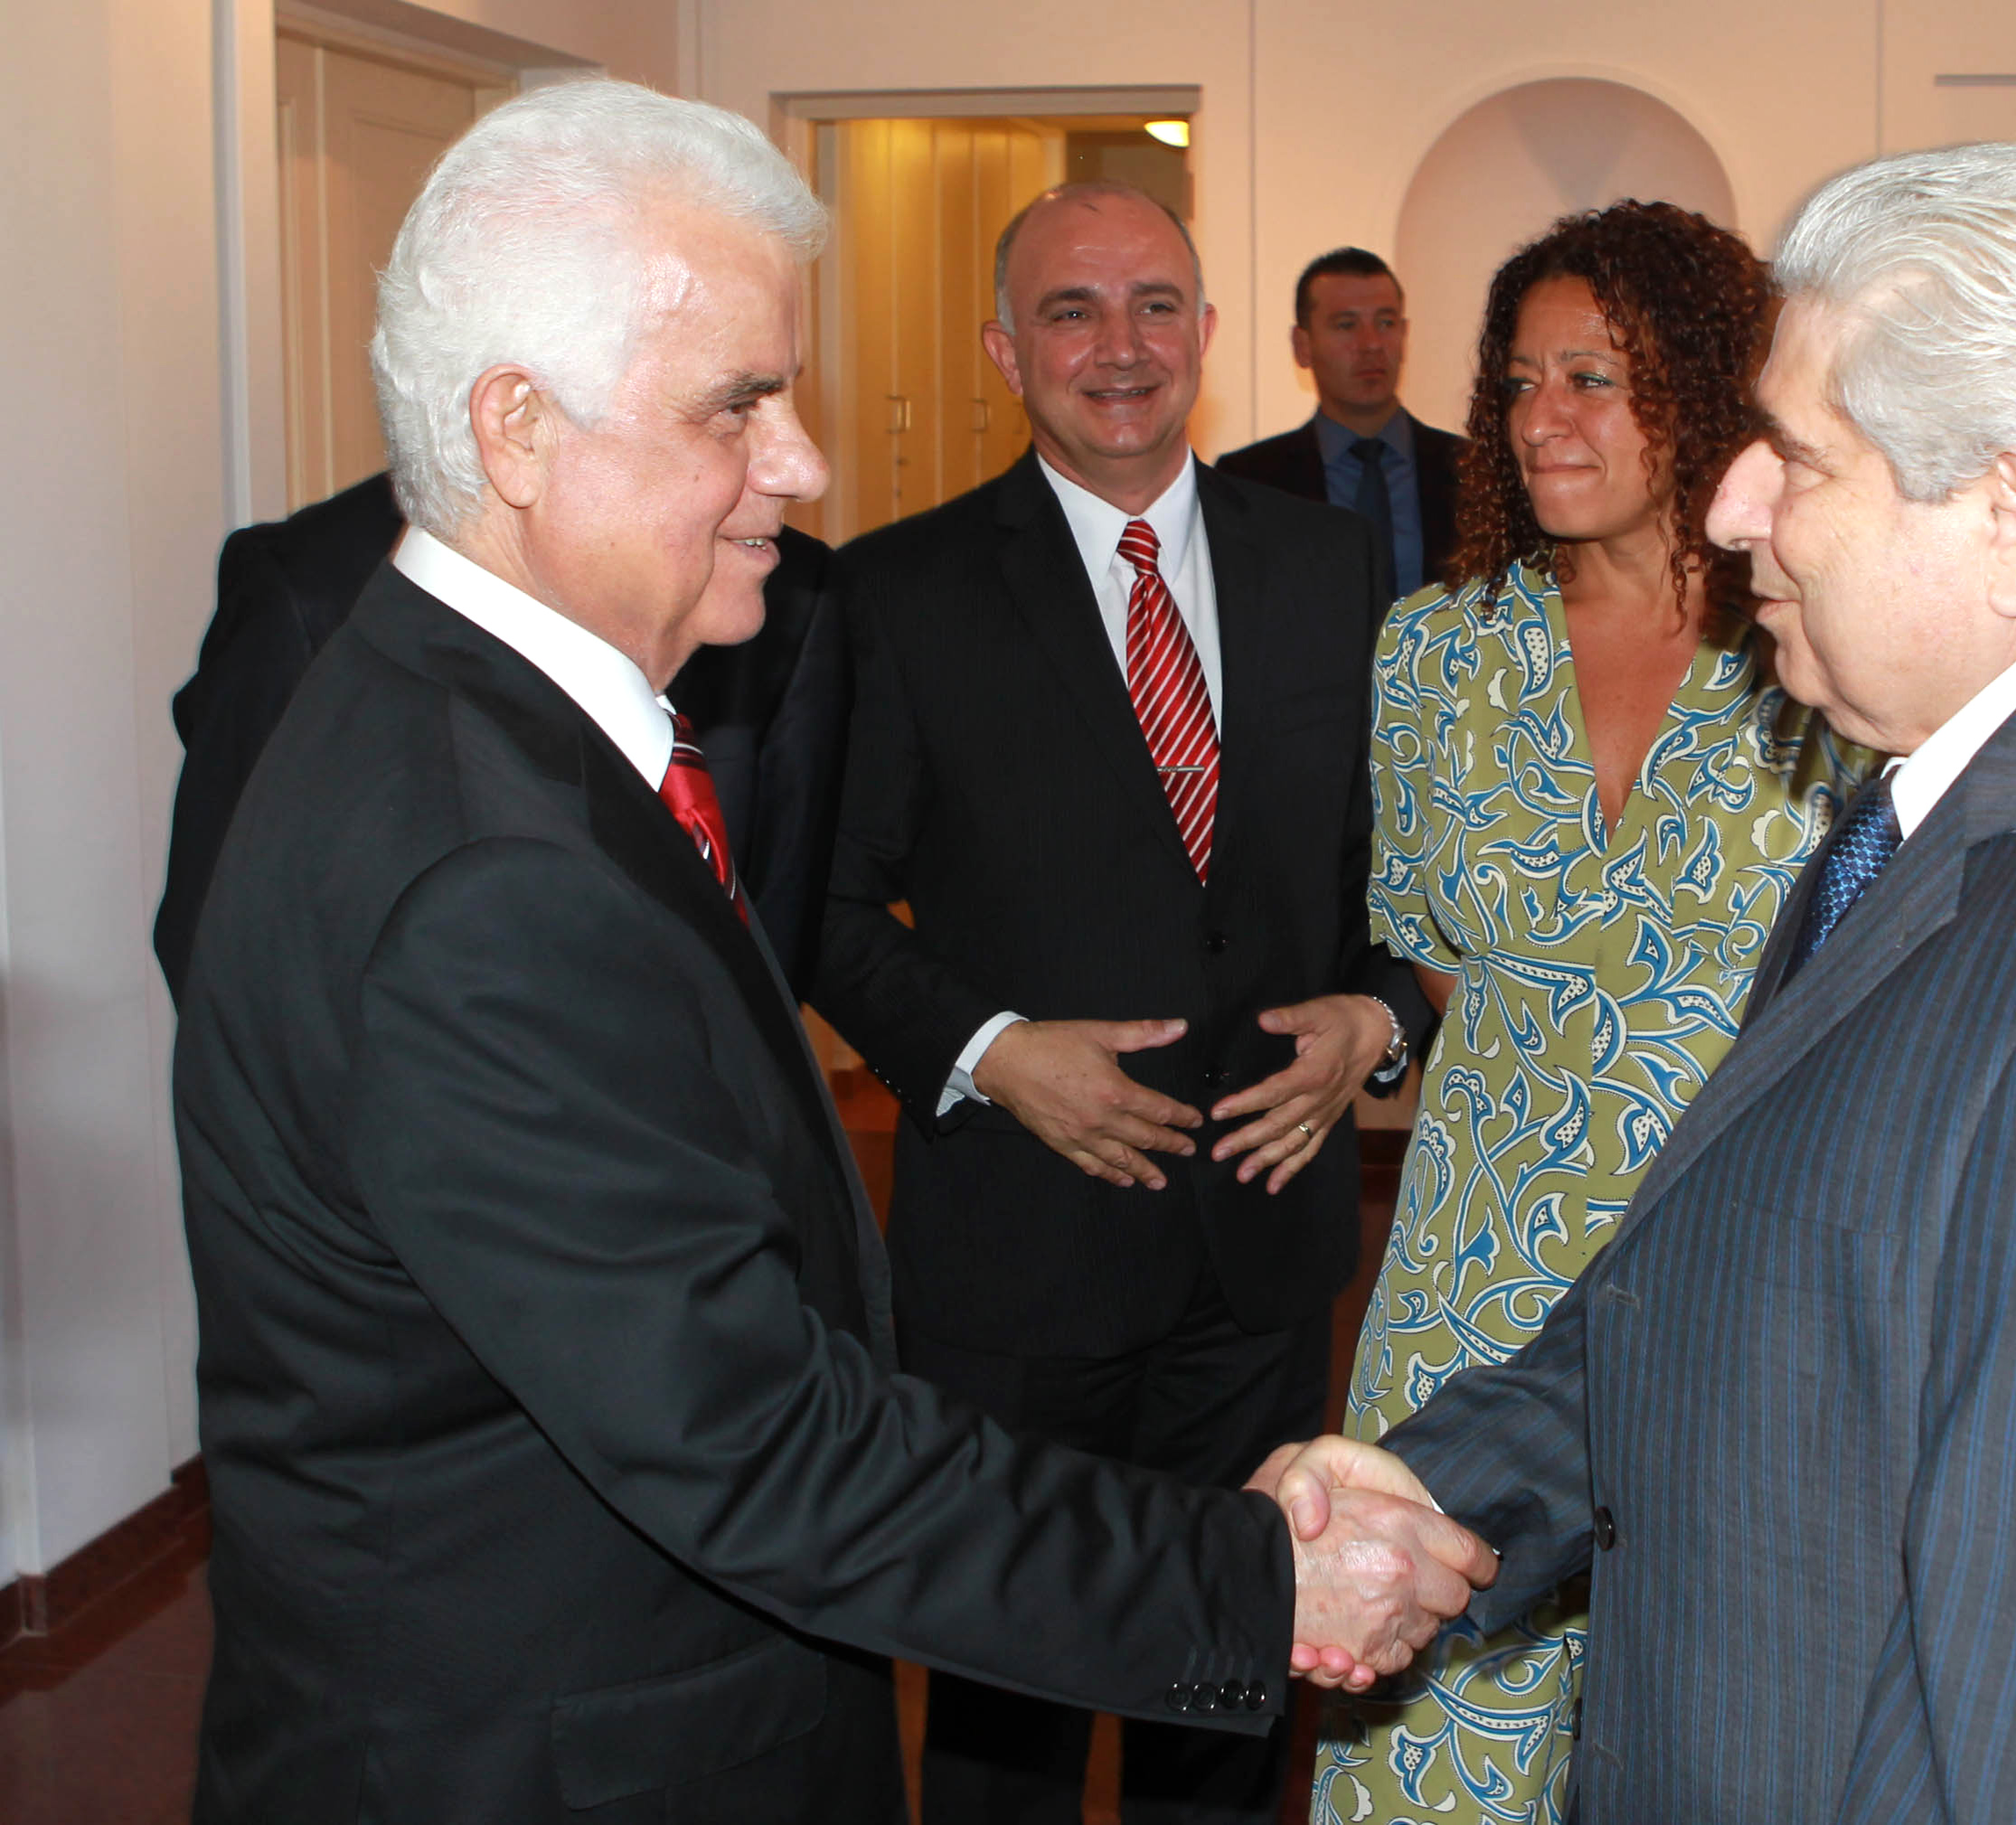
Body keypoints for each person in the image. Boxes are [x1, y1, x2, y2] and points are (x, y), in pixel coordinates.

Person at [174, 80, 1488, 1825]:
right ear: (517, 428)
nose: (798, 463)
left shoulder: (454, 720)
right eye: (738, 403)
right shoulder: (484, 870)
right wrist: (1253, 1581)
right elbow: (755, 1440)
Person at [1271, 143, 2016, 1820]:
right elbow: (1737, 1278)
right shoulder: (1945, 794)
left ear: (2007, 514)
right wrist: (1431, 1496)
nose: (1732, 503)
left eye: (1798, 455)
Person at [809, 182, 1436, 1825]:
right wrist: (992, 1052)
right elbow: (819, 906)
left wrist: (1376, 1020)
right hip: (1022, 1251)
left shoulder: (1327, 567)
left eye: (1154, 303)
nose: (1119, 344)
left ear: (1209, 334)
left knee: (1225, 1679)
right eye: (1069, 310)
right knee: (1003, 1703)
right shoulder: (897, 591)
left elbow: (1393, 874)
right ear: (1003, 347)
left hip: (1259, 1244)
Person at [1313, 199, 1868, 1824]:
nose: (1540, 417)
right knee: (1437, 1746)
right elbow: (1435, 952)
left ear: (1701, 388)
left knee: (1718, 1732)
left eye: (1592, 378)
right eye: (1518, 381)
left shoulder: (1815, 644)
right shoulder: (1434, 651)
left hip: (1744, 1286)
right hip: (1471, 1283)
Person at [154, 470, 849, 999]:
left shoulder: (792, 591)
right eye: (734, 403)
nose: (801, 468)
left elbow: (779, 935)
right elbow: (221, 949)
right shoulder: (312, 588)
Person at [1216, 248, 1462, 598]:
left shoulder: (1473, 469)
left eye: (1386, 323)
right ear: (1302, 346)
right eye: (1346, 325)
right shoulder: (1247, 481)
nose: (1371, 344)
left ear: (1404, 336)